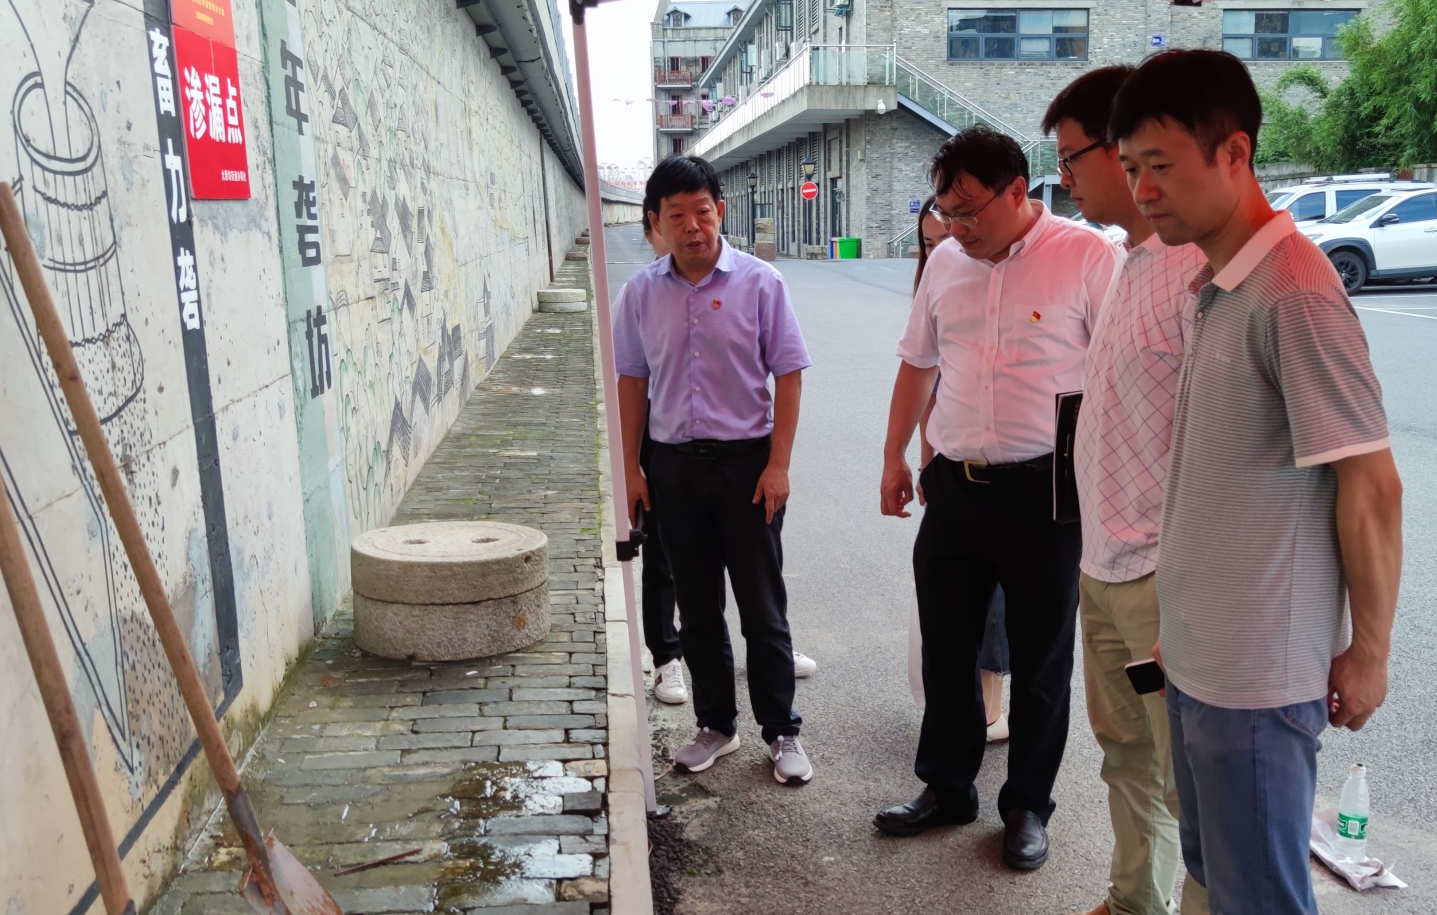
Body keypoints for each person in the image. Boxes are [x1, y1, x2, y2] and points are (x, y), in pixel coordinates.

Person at [1111, 50, 1402, 915]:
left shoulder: (1292, 291)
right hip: (1201, 659)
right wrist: (1180, 628)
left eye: (1160, 166)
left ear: (1234, 152)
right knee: (1217, 873)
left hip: (1254, 678)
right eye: (1130, 168)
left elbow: (1371, 484)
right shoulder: (1217, 282)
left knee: (1258, 897)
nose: (1142, 191)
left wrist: (1369, 652)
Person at [874, 127, 1120, 870]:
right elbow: (917, 363)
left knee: (1041, 657)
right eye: (944, 212)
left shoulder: (1086, 256)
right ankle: (947, 787)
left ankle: (1027, 806)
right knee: (947, 647)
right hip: (955, 484)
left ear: (1018, 190)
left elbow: (1121, 374)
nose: (954, 227)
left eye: (968, 210)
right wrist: (894, 455)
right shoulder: (947, 263)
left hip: (1047, 490)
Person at [1044, 66, 1209, 915]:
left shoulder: (1197, 268)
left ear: (1119, 147)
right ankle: (1132, 899)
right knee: (1124, 754)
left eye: (1070, 158)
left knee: (1191, 777)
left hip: (1159, 577)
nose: (1065, 178)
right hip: (1102, 563)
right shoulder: (1126, 260)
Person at [614, 155, 816, 785]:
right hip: (673, 470)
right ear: (656, 223)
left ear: (720, 211)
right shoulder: (640, 294)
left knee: (762, 608)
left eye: (702, 211)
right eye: (676, 215)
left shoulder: (761, 283)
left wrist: (779, 465)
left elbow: (789, 376)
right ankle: (716, 726)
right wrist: (632, 468)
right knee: (698, 609)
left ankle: (781, 730)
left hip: (747, 468)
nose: (692, 226)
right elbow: (631, 384)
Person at [908, 194, 1010, 743]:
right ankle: (954, 719)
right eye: (928, 243)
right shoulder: (937, 283)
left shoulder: (1004, 274)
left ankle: (991, 701)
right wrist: (923, 461)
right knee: (949, 600)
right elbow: (925, 383)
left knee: (996, 600)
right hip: (950, 463)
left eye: (947, 234)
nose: (941, 248)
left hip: (1009, 469)